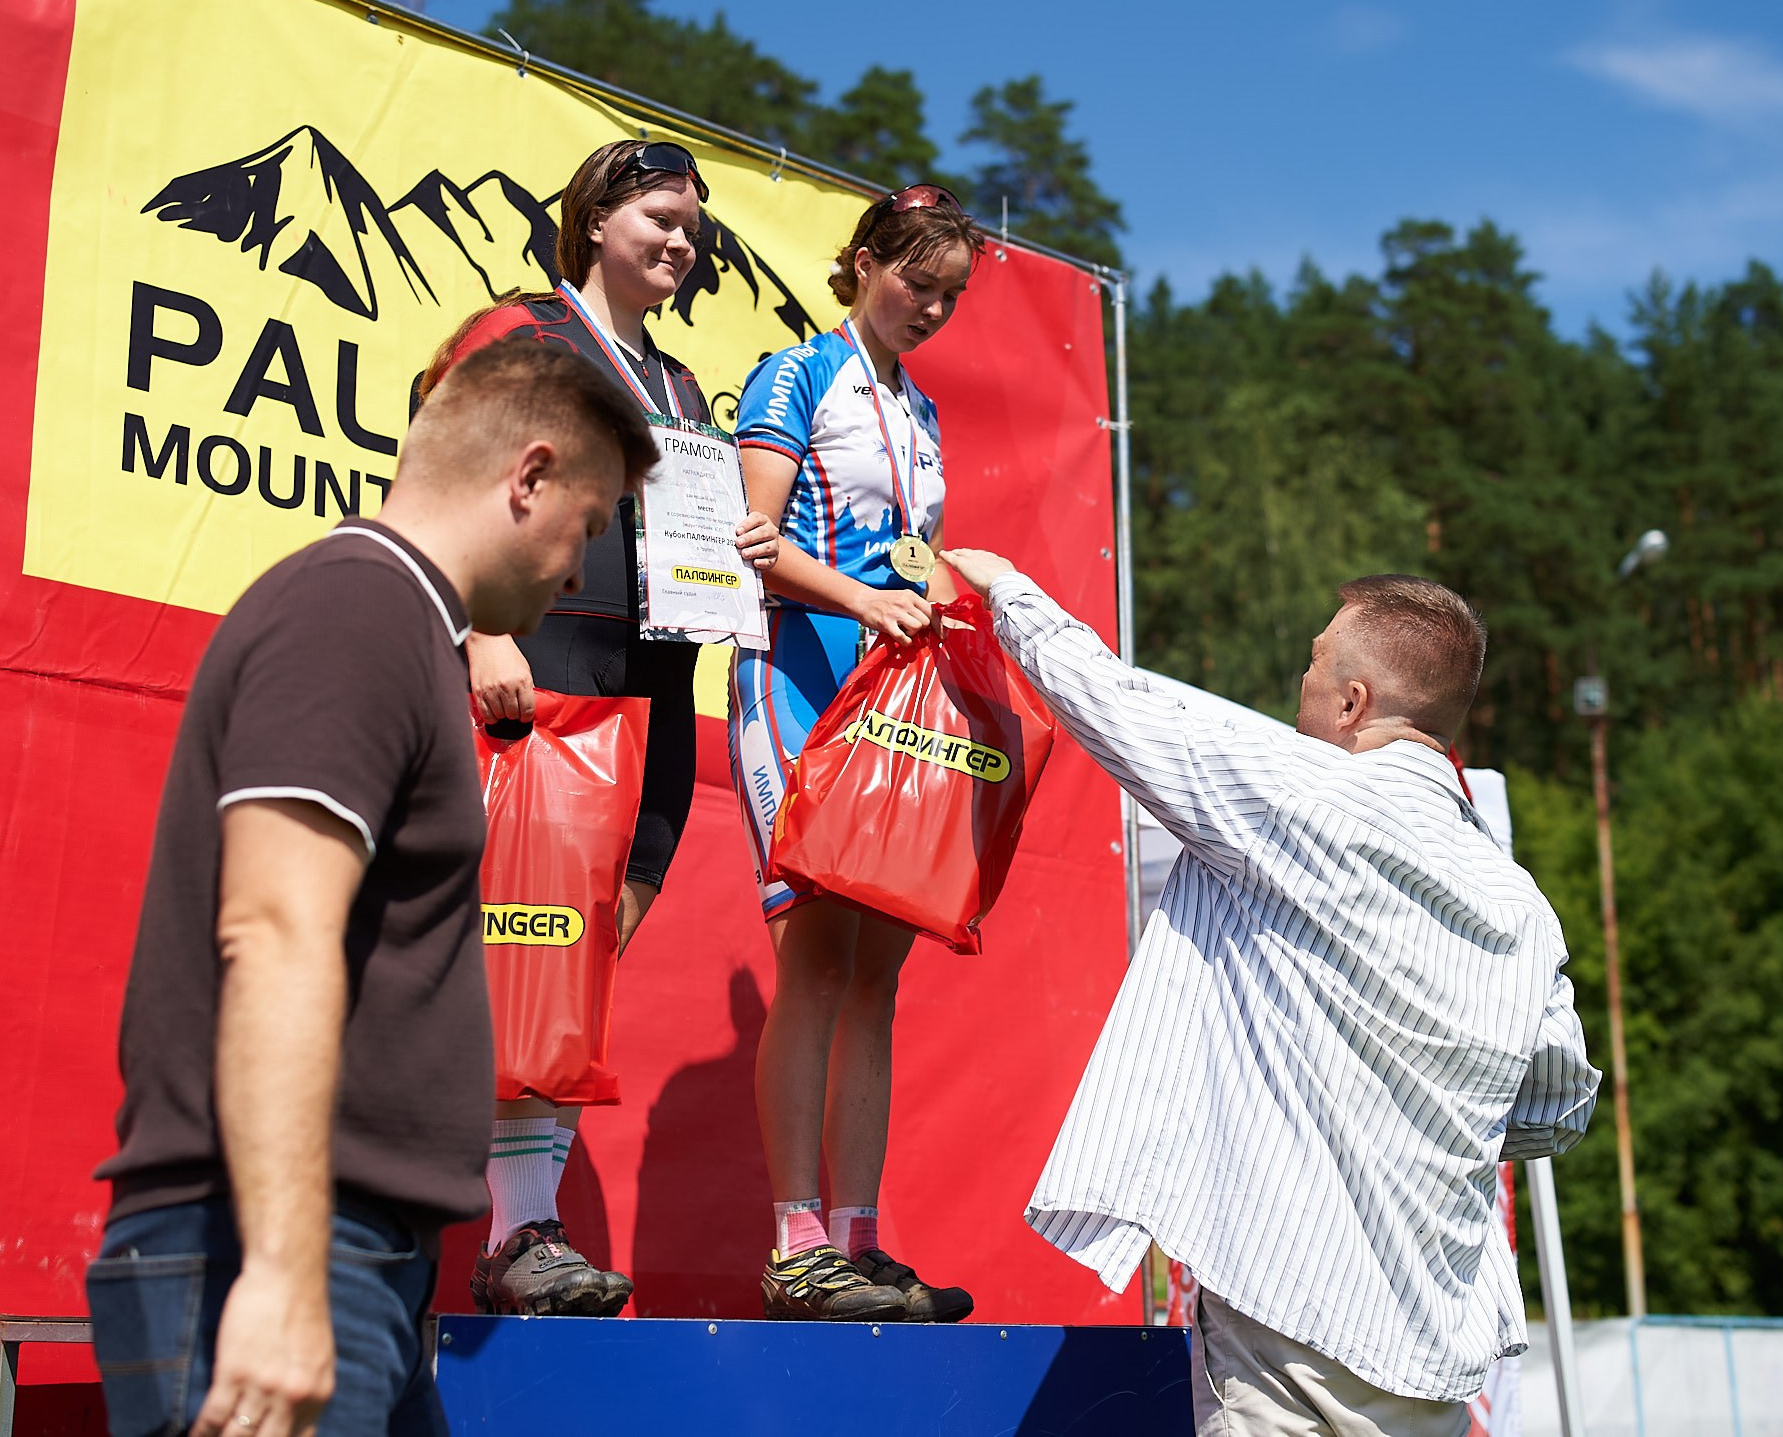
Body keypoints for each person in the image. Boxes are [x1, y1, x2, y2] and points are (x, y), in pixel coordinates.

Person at [88, 340, 660, 1437]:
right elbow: (274, 927)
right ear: (526, 477)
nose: (578, 570)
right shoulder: (356, 610)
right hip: (278, 1247)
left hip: (350, 1255)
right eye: (586, 529)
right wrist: (283, 1277)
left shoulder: (399, 625)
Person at [937, 549, 1602, 1437]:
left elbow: (1121, 706)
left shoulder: (1299, 797)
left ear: (1354, 702)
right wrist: (1434, 1113)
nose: (1302, 681)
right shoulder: (1521, 903)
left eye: (1315, 662)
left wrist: (1005, 588)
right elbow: (1559, 1106)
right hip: (1433, 1345)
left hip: (1288, 1307)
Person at [416, 137, 780, 1318]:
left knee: (574, 954)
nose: (679, 239)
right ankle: (515, 1233)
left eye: (691, 224)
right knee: (511, 950)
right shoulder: (519, 330)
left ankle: (525, 1232)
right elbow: (434, 462)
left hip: (657, 691)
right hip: (544, 673)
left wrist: (740, 562)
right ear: (594, 218)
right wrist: (480, 625)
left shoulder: (679, 392)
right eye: (658, 215)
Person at [729, 184, 988, 1322]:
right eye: (913, 282)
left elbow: (915, 554)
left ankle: (860, 1237)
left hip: (891, 694)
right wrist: (860, 601)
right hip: (795, 674)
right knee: (816, 956)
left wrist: (937, 600)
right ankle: (795, 1241)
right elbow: (751, 543)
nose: (929, 308)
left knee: (877, 973)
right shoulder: (794, 372)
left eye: (949, 295)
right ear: (864, 260)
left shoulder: (926, 414)